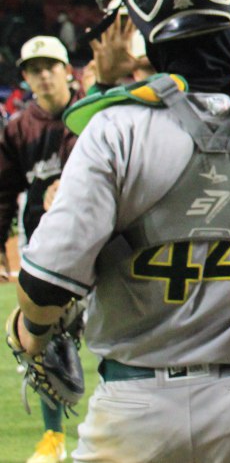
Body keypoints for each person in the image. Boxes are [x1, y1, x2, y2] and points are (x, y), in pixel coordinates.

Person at [13, 0, 230, 462]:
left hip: (137, 406)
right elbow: (229, 119)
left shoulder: (113, 128)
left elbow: (44, 287)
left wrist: (29, 336)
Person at [0, 35, 79, 463]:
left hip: (101, 241)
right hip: (43, 243)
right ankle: (53, 439)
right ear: (26, 78)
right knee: (41, 340)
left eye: (51, 66)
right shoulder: (18, 128)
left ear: (68, 69)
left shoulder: (93, 113)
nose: (44, 75)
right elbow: (4, 188)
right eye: (35, 69)